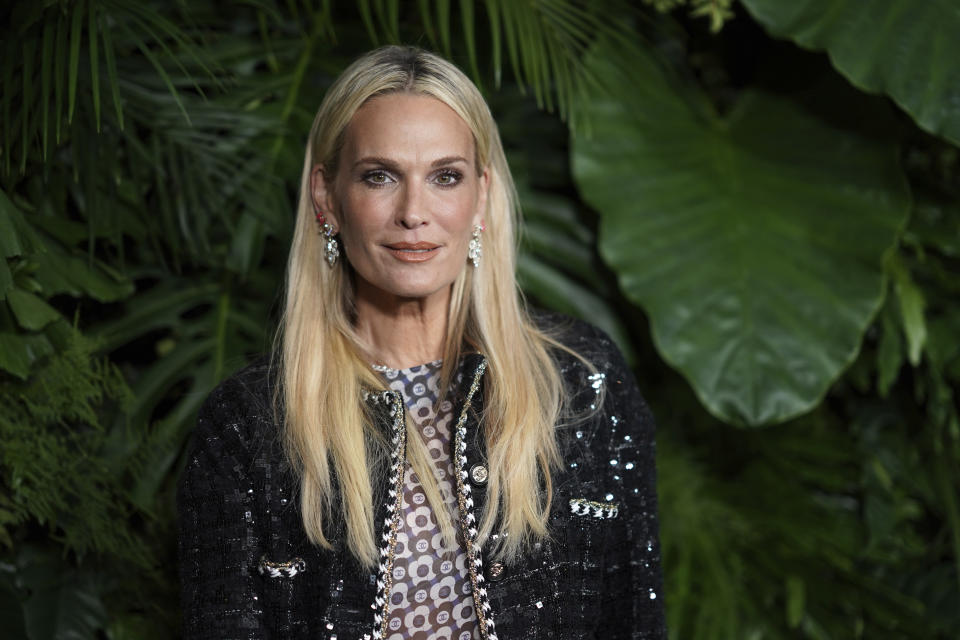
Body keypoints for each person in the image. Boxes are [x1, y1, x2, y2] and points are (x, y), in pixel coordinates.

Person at [178, 45, 665, 640]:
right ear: (327, 198)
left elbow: (637, 620)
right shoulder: (248, 424)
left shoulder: (582, 383)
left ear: (480, 196)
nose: (414, 213)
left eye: (445, 177)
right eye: (379, 176)